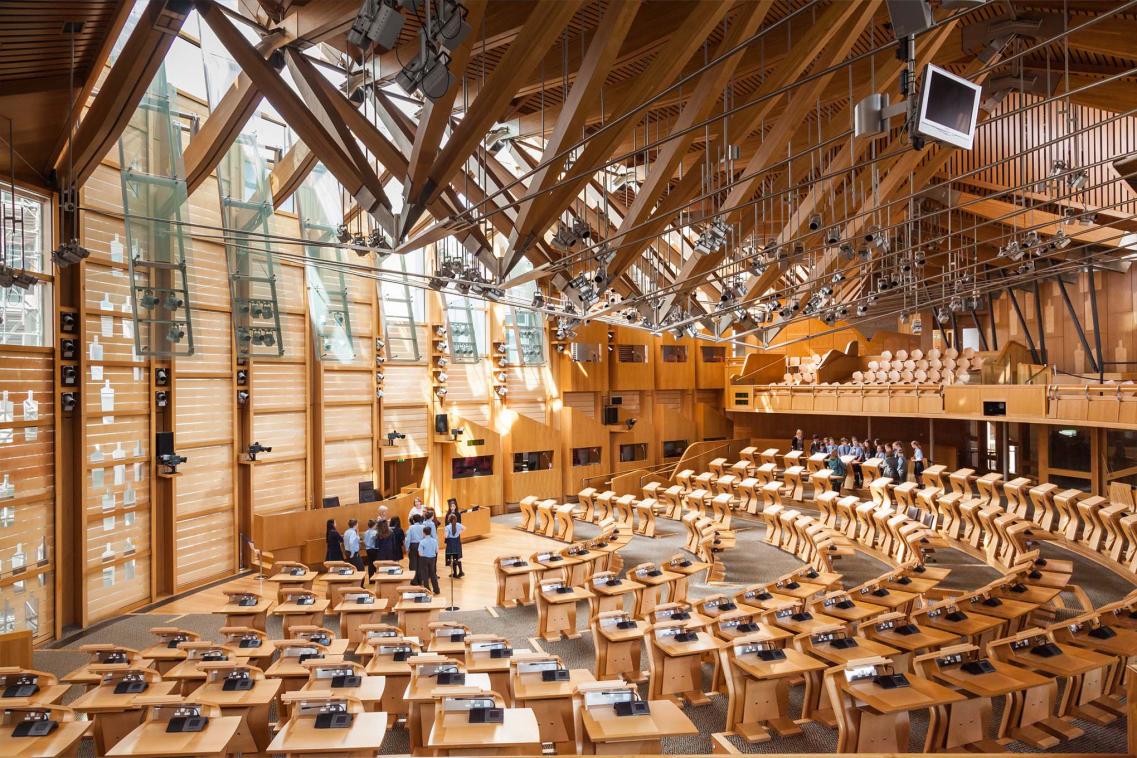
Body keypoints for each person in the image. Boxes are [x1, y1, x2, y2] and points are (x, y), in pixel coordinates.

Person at [418, 525, 441, 593]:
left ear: (424, 533)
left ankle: (427, 590)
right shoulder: (434, 541)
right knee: (432, 574)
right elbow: (437, 551)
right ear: (430, 532)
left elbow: (420, 554)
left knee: (425, 575)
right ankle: (436, 590)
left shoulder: (422, 542)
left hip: (424, 559)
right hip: (432, 559)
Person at [444, 513, 465, 578]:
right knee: (457, 557)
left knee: (451, 558)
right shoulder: (458, 524)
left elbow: (446, 536)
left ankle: (455, 572)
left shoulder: (447, 527)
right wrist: (458, 533)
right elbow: (464, 528)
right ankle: (460, 572)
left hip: (450, 543)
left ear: (449, 520)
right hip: (457, 542)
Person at [406, 514, 425, 585]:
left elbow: (408, 539)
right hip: (421, 545)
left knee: (413, 563)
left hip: (413, 545)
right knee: (420, 563)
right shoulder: (423, 526)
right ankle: (420, 580)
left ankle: (414, 581)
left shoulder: (411, 527)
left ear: (413, 520)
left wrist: (407, 548)